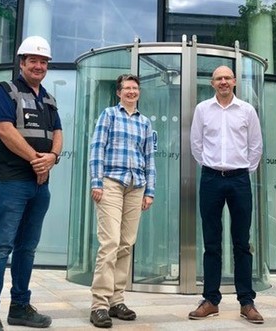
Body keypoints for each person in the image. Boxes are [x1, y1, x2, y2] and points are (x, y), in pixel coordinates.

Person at [0, 35, 62, 331]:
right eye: (33, 60)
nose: (39, 66)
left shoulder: (48, 98)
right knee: (1, 246)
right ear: (22, 62)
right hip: (11, 181)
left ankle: (20, 307)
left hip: (40, 185)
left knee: (27, 248)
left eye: (43, 61)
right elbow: (4, 130)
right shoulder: (4, 90)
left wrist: (51, 157)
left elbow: (58, 133)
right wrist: (35, 160)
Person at [188, 65, 264, 324]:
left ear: (234, 82)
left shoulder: (247, 110)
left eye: (227, 78)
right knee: (211, 242)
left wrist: (242, 170)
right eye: (218, 78)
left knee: (242, 242)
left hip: (240, 179)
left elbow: (256, 146)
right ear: (212, 83)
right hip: (211, 178)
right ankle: (210, 300)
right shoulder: (202, 110)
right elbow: (196, 144)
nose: (223, 82)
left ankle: (246, 302)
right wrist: (212, 167)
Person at [88, 74, 156, 328]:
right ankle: (99, 305)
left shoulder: (145, 123)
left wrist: (150, 190)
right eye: (126, 88)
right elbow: (96, 149)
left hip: (136, 186)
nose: (131, 91)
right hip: (111, 183)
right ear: (118, 93)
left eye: (134, 88)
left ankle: (117, 300)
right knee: (110, 243)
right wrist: (96, 182)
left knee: (127, 243)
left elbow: (149, 158)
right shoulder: (109, 115)